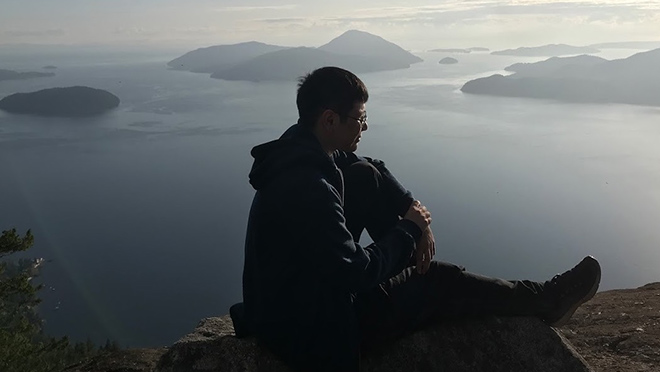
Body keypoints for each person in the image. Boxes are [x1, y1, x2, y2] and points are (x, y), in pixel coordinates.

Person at [231, 66, 601, 372]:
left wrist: (413, 212)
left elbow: (371, 169)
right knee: (440, 281)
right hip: (310, 331)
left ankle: (411, 273)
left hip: (287, 302)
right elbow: (355, 272)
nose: (364, 128)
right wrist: (408, 230)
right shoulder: (308, 187)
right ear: (329, 119)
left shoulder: (300, 152)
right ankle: (545, 299)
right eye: (359, 120)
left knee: (364, 178)